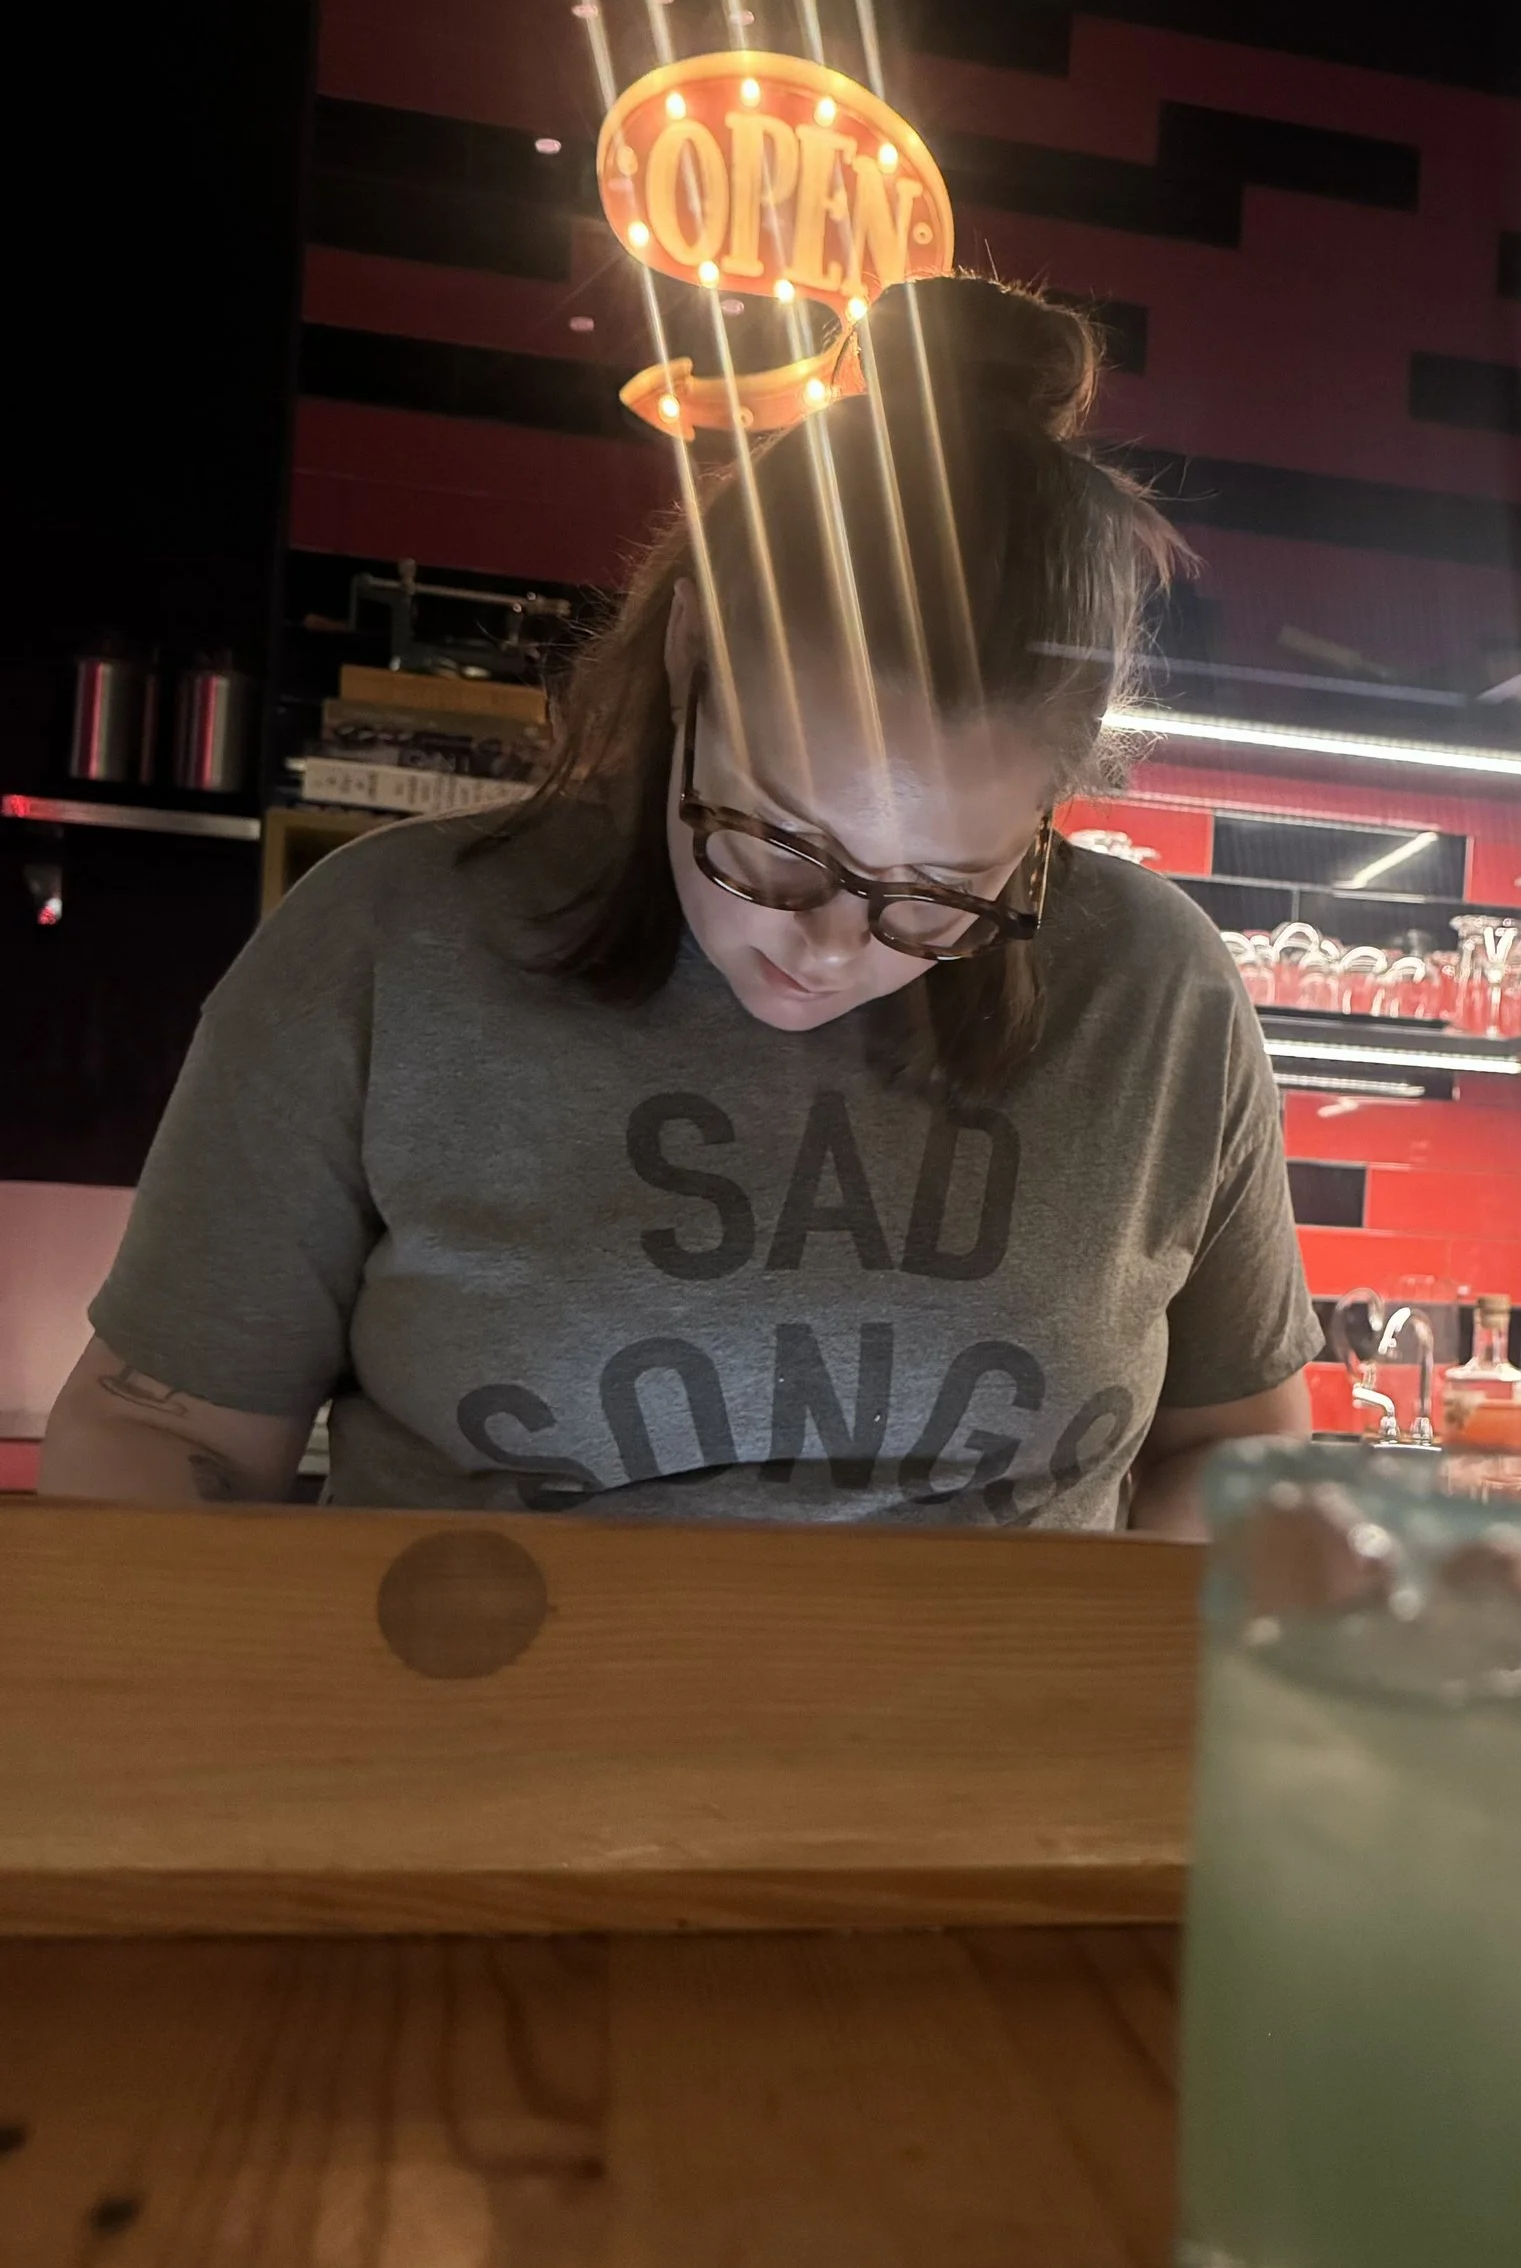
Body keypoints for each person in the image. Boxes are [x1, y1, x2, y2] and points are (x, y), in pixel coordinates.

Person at [42, 277, 1318, 1532]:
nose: (829, 948)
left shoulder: (1155, 988)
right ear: (691, 650)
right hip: (486, 1736)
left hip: (1016, 1743)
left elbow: (1235, 1445)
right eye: (774, 842)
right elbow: (165, 1430)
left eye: (938, 896)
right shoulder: (385, 946)